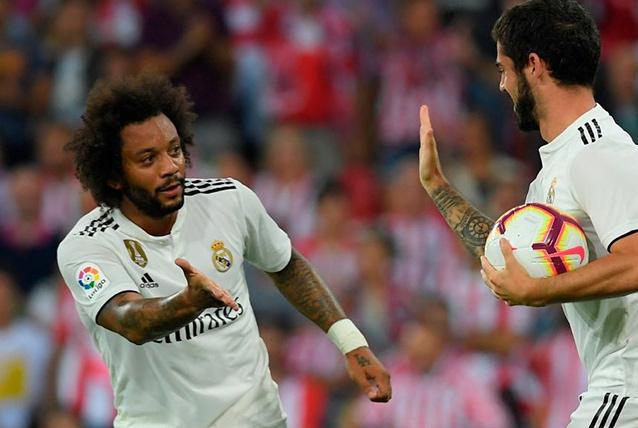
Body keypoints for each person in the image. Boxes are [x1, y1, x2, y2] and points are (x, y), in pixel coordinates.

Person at [418, 0, 638, 426]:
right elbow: (506, 255)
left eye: (503, 69)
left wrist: (539, 292)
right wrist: (439, 189)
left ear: (534, 66)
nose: (502, 86)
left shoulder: (597, 150)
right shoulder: (564, 161)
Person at [56, 74, 391, 428]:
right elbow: (129, 321)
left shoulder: (229, 199)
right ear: (114, 176)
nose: (170, 167)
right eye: (148, 159)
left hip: (255, 418)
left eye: (174, 150)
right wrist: (189, 301)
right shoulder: (86, 246)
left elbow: (286, 265)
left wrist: (350, 341)